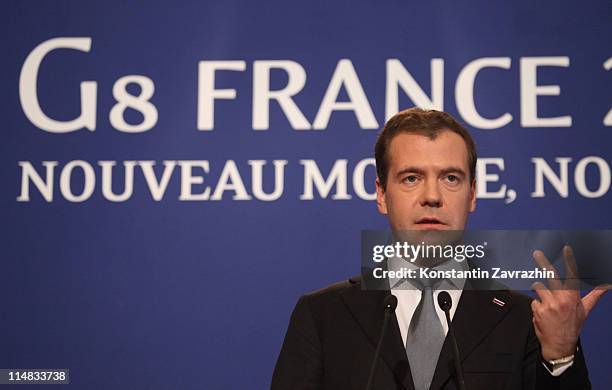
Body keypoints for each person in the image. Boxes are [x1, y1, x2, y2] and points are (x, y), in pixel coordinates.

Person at [271, 108, 609, 390]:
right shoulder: (322, 315)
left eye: (451, 178)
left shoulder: (524, 319)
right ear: (381, 194)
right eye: (411, 178)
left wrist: (561, 355)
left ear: (473, 194)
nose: (432, 196)